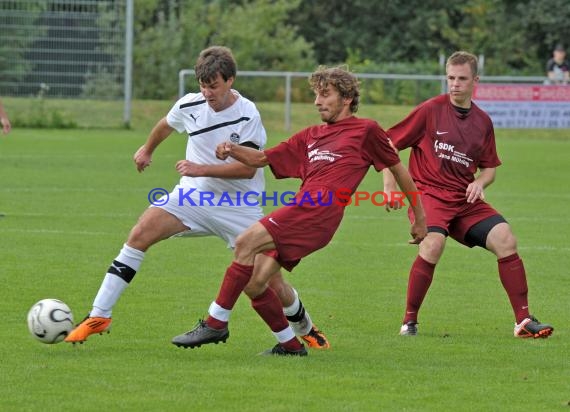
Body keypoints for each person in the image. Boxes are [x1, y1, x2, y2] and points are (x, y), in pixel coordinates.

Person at [65, 46, 329, 349]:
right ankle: (100, 315)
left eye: (213, 85)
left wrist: (199, 167)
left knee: (269, 281)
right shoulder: (190, 104)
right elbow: (166, 124)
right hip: (192, 197)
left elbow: (247, 170)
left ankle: (305, 329)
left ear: (229, 81)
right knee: (139, 235)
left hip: (237, 206)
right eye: (203, 85)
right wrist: (147, 149)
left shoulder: (247, 113)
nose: (207, 92)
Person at [170, 66, 427, 356]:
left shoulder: (366, 130)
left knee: (245, 243)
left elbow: (397, 168)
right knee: (254, 284)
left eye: (325, 94)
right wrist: (233, 148)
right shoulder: (310, 135)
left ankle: (216, 322)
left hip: (318, 212)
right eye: (316, 95)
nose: (318, 101)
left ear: (346, 98)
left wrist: (419, 218)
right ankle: (291, 346)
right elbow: (262, 158)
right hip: (303, 209)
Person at [383, 51, 554, 339]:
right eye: (450, 78)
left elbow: (489, 169)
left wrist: (480, 183)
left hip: (463, 200)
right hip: (430, 195)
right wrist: (389, 188)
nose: (454, 84)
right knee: (434, 245)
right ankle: (409, 321)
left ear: (475, 81)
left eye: (462, 79)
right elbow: (388, 145)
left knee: (505, 239)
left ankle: (523, 321)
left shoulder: (483, 122)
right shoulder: (430, 110)